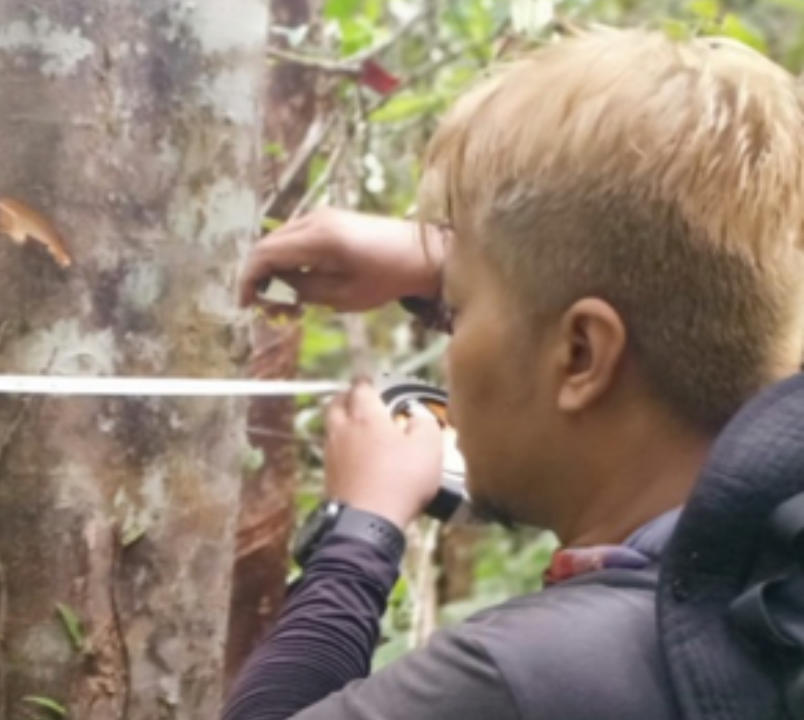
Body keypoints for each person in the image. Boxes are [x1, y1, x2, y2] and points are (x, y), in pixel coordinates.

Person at [223, 27, 804, 720]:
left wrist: (360, 529)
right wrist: (447, 259)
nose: (447, 337)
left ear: (581, 356)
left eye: (457, 312)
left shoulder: (526, 678)